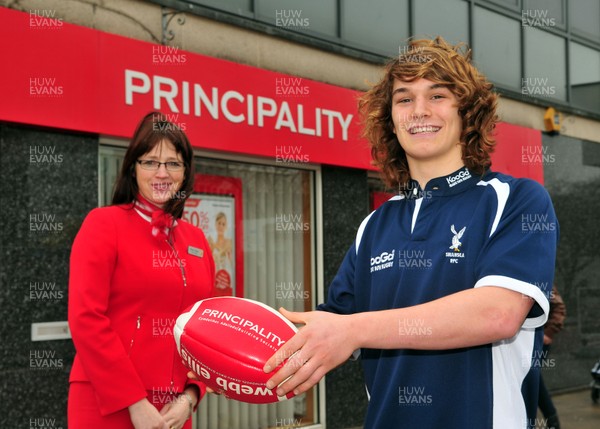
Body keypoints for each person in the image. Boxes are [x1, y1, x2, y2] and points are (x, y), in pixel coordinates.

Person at [263, 37, 558, 428]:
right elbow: (327, 325)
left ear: (467, 113)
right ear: (390, 119)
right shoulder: (374, 226)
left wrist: (352, 329)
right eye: (404, 99)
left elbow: (498, 313)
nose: (419, 111)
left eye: (437, 96)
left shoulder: (517, 199)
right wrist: (223, 353)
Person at [68, 112, 215, 429]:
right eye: (150, 162)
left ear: (185, 172)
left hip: (174, 410)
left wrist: (191, 396)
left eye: (173, 163)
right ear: (133, 169)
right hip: (108, 403)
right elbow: (86, 318)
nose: (162, 173)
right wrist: (133, 401)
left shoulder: (197, 239)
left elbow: (203, 328)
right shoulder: (103, 225)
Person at [539, 285, 566, 429]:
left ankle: (552, 420)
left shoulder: (541, 278)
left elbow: (559, 307)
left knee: (533, 377)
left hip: (539, 340)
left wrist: (549, 332)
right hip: (519, 343)